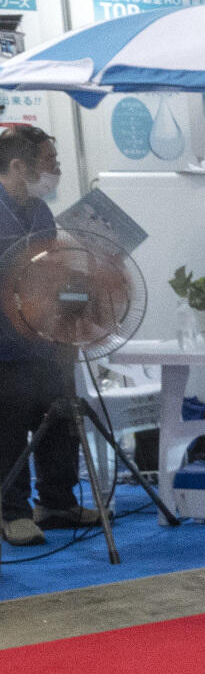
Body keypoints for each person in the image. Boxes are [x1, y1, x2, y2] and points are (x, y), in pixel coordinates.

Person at [0, 125, 97, 548]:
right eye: (50, 163)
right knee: (7, 430)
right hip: (4, 343)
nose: (56, 170)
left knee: (61, 418)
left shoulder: (40, 212)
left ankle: (57, 502)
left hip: (47, 337)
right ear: (18, 166)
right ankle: (13, 513)